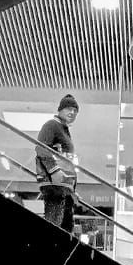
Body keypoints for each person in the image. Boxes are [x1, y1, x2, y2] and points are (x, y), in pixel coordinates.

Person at [35, 94, 80, 234]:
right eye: (68, 108)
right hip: (54, 184)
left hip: (63, 185)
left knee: (66, 225)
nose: (72, 112)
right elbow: (41, 148)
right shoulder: (51, 125)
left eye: (75, 110)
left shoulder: (63, 129)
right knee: (56, 222)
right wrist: (54, 171)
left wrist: (72, 189)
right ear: (60, 110)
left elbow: (67, 160)